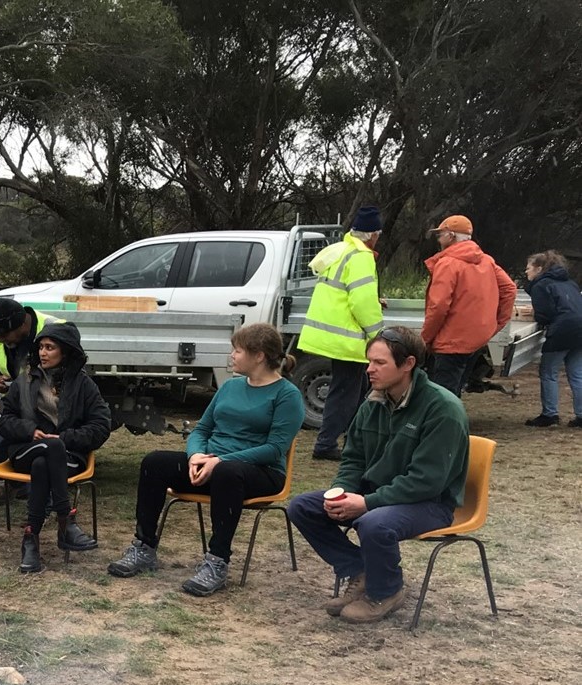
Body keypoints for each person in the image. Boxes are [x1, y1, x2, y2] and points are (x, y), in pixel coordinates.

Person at [108, 322, 306, 595]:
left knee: (227, 472)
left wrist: (218, 461)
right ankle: (143, 547)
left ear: (259, 355)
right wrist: (196, 456)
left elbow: (274, 448)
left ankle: (217, 562)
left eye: (237, 351)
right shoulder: (230, 388)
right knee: (155, 462)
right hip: (211, 466)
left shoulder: (287, 395)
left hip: (260, 473)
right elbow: (202, 429)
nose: (232, 356)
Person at [287, 327, 469, 624]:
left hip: (430, 502)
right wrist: (342, 491)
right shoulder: (373, 402)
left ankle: (386, 591)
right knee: (303, 507)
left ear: (408, 364)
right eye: (369, 361)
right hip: (378, 495)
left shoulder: (442, 409)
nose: (369, 369)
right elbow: (353, 459)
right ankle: (359, 570)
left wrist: (367, 503)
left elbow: (427, 481)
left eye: (380, 363)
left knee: (373, 522)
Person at [0, 322, 110, 573]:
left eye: (50, 347)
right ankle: (66, 521)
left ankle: (31, 537)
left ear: (65, 352)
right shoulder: (26, 381)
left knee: (46, 459)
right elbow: (3, 417)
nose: (43, 353)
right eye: (41, 347)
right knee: (46, 452)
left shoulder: (84, 385)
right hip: (26, 449)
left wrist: (64, 438)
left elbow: (101, 426)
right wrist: (28, 431)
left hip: (66, 455)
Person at [298, 207, 387, 460]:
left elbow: (344, 292)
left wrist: (373, 300)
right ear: (373, 235)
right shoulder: (361, 256)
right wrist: (377, 334)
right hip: (347, 338)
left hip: (333, 334)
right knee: (346, 393)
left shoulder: (340, 250)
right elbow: (360, 302)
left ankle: (353, 441)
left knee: (357, 389)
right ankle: (326, 445)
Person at [419, 214, 516, 396]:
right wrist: (495, 324)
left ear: (451, 236)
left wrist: (425, 339)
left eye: (440, 234)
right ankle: (453, 422)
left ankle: (446, 425)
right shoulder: (487, 261)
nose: (438, 239)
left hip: (450, 344)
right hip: (475, 342)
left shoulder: (447, 264)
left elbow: (438, 306)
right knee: (454, 394)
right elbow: (509, 289)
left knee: (442, 398)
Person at [0, 297, 64, 471]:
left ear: (21, 325)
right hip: (16, 405)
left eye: (4, 336)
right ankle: (18, 484)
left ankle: (41, 484)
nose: (1, 340)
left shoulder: (53, 328)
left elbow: (71, 368)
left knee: (43, 449)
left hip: (48, 407)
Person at [522, 251, 582, 427]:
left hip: (562, 330)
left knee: (548, 372)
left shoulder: (541, 286)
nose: (526, 272)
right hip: (580, 329)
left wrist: (538, 317)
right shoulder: (569, 283)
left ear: (539, 268)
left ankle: (549, 415)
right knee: (577, 373)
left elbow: (545, 314)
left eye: (528, 268)